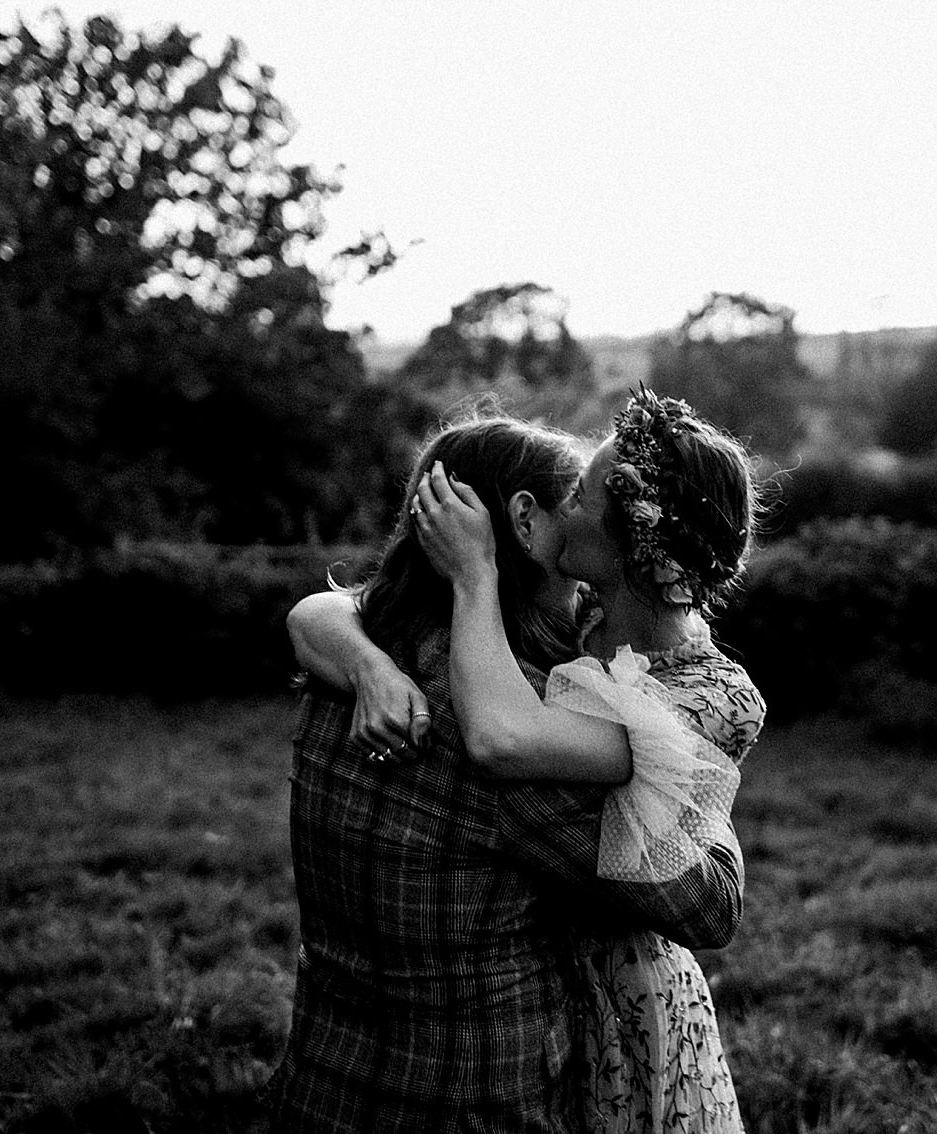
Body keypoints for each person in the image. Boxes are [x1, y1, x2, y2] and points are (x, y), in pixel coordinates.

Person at [293, 389, 767, 1132]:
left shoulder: (358, 669)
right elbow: (705, 907)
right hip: (467, 1096)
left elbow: (320, 608)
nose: (576, 515)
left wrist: (367, 663)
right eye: (570, 496)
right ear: (521, 520)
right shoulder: (511, 720)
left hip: (322, 1079)